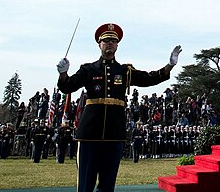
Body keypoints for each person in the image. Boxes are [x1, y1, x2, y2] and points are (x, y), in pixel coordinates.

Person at [56, 22, 181, 192]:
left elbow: (149, 78)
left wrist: (170, 65)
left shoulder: (125, 71)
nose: (109, 43)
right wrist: (63, 73)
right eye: (106, 40)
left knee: (108, 182)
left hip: (114, 132)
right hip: (90, 133)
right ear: (99, 44)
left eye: (113, 41)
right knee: (85, 182)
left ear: (117, 45)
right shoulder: (88, 69)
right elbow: (67, 87)